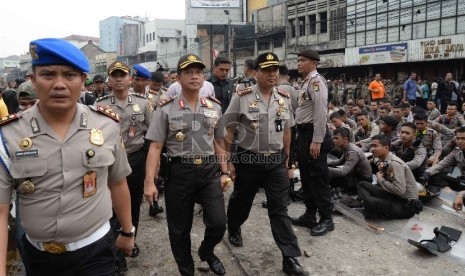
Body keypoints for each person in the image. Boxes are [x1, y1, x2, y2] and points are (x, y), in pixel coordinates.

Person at [0, 38, 134, 276]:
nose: (59, 84)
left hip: (95, 252)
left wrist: (127, 231)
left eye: (70, 75)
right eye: (48, 75)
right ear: (32, 80)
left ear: (83, 80)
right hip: (37, 256)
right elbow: (1, 211)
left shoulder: (106, 125)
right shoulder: (9, 135)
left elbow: (117, 182)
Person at [221, 52, 308, 276]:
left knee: (279, 208)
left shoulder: (284, 97)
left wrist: (287, 157)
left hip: (276, 161)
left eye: (275, 70)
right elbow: (229, 129)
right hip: (249, 159)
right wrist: (229, 161)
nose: (272, 74)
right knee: (243, 199)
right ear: (256, 72)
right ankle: (235, 225)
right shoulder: (242, 96)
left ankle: (290, 257)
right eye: (267, 70)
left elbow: (287, 129)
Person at [143, 54, 228, 276]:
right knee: (179, 230)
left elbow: (218, 142)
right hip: (179, 174)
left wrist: (225, 171)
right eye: (188, 72)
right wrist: (149, 182)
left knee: (219, 222)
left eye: (198, 72)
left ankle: (207, 251)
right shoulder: (166, 108)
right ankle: (186, 270)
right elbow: (155, 147)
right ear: (178, 78)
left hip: (209, 171)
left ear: (203, 77)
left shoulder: (214, 107)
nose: (194, 76)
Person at [95, 60, 152, 271]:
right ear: (109, 81)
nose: (118, 79)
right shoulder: (100, 105)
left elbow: (152, 132)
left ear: (130, 79)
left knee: (134, 203)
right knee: (110, 207)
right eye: (114, 75)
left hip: (135, 159)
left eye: (122, 75)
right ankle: (115, 252)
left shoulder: (143, 103)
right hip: (109, 163)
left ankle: (130, 237)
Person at [291, 49, 334, 237]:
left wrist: (317, 140)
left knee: (318, 179)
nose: (299, 63)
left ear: (314, 63)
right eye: (298, 60)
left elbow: (320, 112)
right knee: (307, 178)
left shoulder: (317, 82)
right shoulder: (306, 81)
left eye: (303, 60)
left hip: (314, 135)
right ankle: (310, 215)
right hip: (304, 134)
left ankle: (326, 218)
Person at [357, 134, 422, 219]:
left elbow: (399, 190)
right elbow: (375, 158)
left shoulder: (394, 164)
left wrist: (380, 180)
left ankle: (373, 211)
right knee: (362, 184)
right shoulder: (384, 159)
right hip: (395, 197)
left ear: (386, 148)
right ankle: (373, 207)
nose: (372, 149)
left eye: (375, 146)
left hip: (406, 206)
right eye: (371, 146)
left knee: (369, 200)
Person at [328, 127, 372, 194]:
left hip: (363, 181)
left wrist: (326, 169)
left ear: (345, 139)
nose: (334, 140)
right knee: (331, 173)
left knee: (330, 177)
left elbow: (343, 172)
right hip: (355, 175)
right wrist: (327, 163)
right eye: (333, 138)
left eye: (336, 138)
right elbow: (340, 162)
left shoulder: (353, 152)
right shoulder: (347, 147)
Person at [426, 126, 465, 193]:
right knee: (433, 176)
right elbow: (441, 165)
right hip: (462, 181)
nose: (460, 141)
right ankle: (450, 189)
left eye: (463, 139)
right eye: (458, 138)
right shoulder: (456, 152)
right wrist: (427, 173)